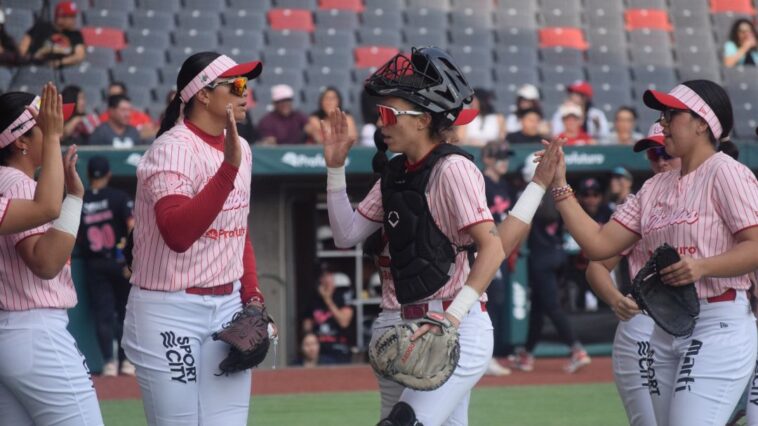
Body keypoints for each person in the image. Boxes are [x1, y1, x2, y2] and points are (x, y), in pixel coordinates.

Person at [320, 46, 561, 424]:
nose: (379, 124)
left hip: (452, 325)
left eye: (386, 114)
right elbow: (345, 235)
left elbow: (492, 248)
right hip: (396, 327)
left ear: (420, 120)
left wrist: (451, 319)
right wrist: (335, 169)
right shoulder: (396, 172)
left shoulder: (453, 169)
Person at [549, 80, 758, 425]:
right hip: (665, 329)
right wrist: (559, 185)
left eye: (670, 114)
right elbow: (599, 245)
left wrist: (703, 266)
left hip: (717, 322)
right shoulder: (654, 186)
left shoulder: (727, 173)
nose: (661, 123)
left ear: (701, 121)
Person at [122, 51, 269, 426]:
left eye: (246, 84)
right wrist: (227, 170)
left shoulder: (242, 148)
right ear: (202, 94)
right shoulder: (172, 148)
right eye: (235, 84)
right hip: (168, 308)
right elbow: (177, 233)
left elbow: (239, 232)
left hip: (226, 306)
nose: (244, 92)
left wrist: (252, 298)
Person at [0, 85, 103, 424]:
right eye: (46, 125)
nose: (57, 129)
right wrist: (72, 201)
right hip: (33, 329)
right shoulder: (18, 183)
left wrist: (71, 198)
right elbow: (45, 262)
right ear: (21, 140)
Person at [586, 121, 682, 426]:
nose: (660, 160)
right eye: (653, 154)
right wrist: (615, 299)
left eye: (665, 152)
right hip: (644, 322)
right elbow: (597, 264)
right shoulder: (639, 203)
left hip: (701, 322)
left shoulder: (714, 191)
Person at [510, 154, 592, 373]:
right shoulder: (556, 194)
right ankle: (527, 354)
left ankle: (577, 349)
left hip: (541, 258)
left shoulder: (532, 195)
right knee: (538, 307)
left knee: (552, 306)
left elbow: (523, 226)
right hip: (557, 255)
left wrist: (513, 249)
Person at [77, 156, 135, 377]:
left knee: (103, 315)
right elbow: (132, 227)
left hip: (95, 263)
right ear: (109, 174)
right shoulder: (119, 197)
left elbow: (77, 236)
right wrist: (131, 260)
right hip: (120, 261)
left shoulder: (81, 201)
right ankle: (126, 361)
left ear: (90, 175)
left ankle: (109, 363)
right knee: (124, 314)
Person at [0, 84, 73, 235]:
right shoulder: (22, 185)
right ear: (21, 141)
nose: (58, 132)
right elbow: (46, 259)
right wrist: (75, 199)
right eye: (46, 126)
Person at [481, 141, 516, 376]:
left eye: (506, 156)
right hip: (482, 248)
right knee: (489, 300)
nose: (504, 160)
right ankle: (485, 357)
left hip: (499, 248)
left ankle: (487, 355)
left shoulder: (503, 184)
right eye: (500, 156)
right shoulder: (481, 183)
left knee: (496, 300)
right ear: (488, 158)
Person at [570, 178, 612, 311]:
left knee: (605, 298)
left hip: (604, 262)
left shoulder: (607, 211)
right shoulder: (576, 211)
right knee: (578, 298)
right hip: (579, 263)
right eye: (586, 195)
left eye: (595, 194)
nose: (591, 199)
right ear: (580, 197)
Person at [302, 269, 355, 364]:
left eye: (329, 276)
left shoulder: (341, 297)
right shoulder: (314, 300)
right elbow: (307, 328)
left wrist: (327, 299)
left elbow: (344, 322)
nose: (326, 280)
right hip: (318, 348)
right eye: (323, 277)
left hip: (338, 347)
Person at [17, 1, 85, 68]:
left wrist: (60, 62)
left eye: (74, 16)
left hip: (62, 70)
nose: (74, 20)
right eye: (71, 17)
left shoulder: (75, 34)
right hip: (37, 67)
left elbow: (79, 55)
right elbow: (23, 47)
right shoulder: (41, 27)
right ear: (60, 17)